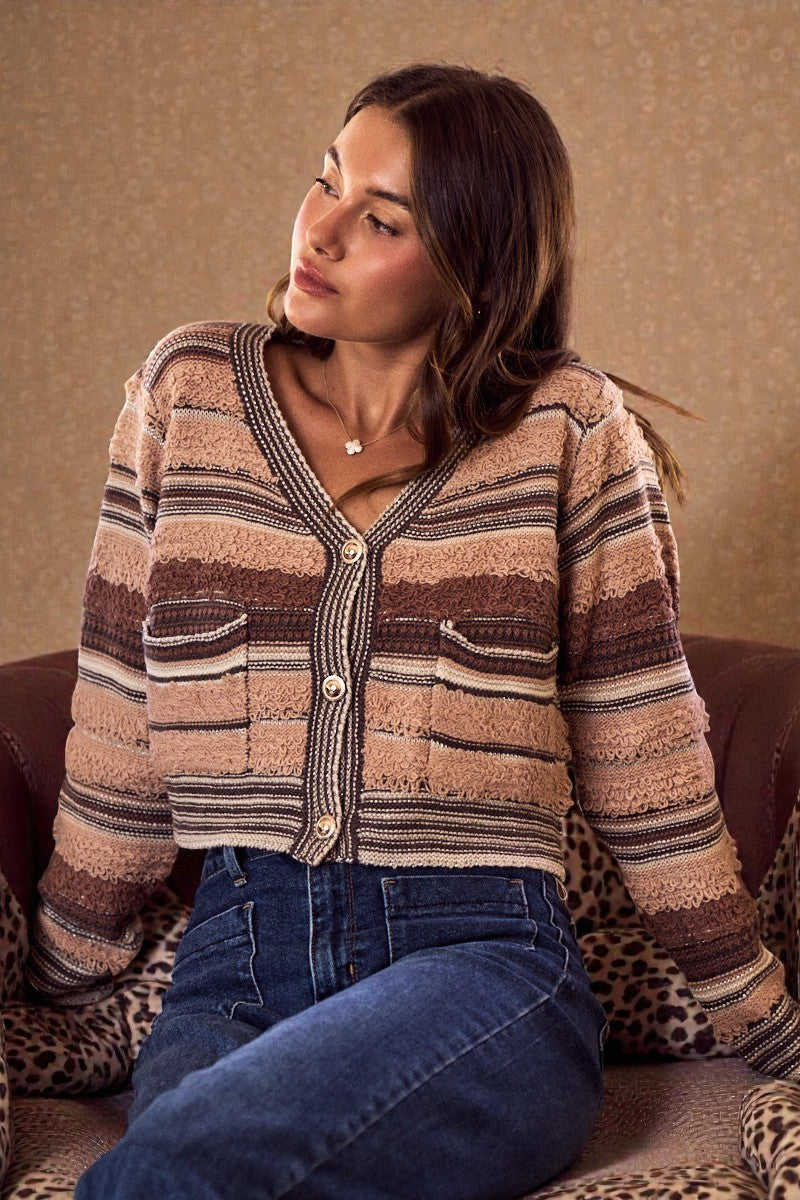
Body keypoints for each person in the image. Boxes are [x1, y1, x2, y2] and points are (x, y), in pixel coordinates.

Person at [27, 63, 800, 1200]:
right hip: (235, 963)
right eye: (324, 181)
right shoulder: (186, 396)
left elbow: (644, 762)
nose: (320, 229)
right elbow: (121, 710)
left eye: (379, 219)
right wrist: (58, 966)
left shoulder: (570, 433)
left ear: (469, 265)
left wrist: (760, 1013)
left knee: (173, 1178)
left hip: (483, 970)